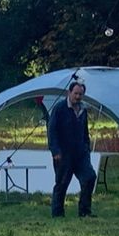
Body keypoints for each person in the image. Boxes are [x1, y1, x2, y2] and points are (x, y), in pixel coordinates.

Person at [48, 76, 96, 218]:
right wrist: (55, 150)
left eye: (80, 94)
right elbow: (52, 130)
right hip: (63, 153)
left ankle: (85, 211)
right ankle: (57, 214)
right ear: (69, 93)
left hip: (81, 154)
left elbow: (85, 131)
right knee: (62, 183)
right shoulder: (59, 108)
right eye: (75, 93)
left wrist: (86, 147)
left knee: (89, 177)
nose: (77, 96)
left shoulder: (83, 110)